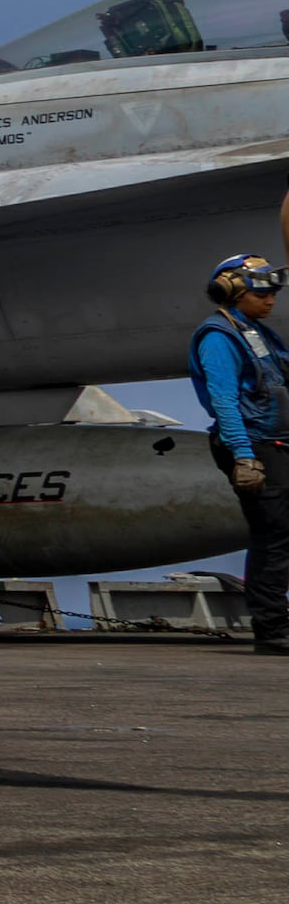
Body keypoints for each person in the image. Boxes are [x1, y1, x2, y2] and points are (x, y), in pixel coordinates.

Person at [183, 253, 289, 655]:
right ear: (233, 291)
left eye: (273, 293)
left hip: (278, 443)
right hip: (254, 445)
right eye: (262, 293)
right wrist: (244, 457)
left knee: (281, 536)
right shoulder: (218, 336)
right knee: (272, 537)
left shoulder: (257, 333)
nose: (271, 300)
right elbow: (224, 401)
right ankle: (272, 630)